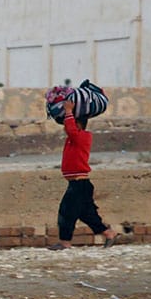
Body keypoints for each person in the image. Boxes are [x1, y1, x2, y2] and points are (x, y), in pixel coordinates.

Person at [49, 98, 122, 250]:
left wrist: (68, 110)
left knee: (66, 212)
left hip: (79, 185)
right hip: (77, 184)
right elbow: (69, 129)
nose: (65, 127)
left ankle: (65, 242)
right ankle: (108, 233)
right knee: (87, 214)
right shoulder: (72, 139)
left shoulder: (83, 137)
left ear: (78, 125)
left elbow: (71, 129)